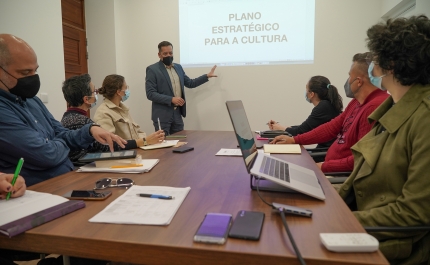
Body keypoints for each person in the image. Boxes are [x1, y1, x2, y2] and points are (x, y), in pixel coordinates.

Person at [339, 15, 430, 264]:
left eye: (375, 59)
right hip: (370, 229)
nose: (372, 66)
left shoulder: (425, 118)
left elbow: (414, 214)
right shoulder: (393, 106)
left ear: (390, 64)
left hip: (395, 248)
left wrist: (335, 220)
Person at [0, 34, 126, 187]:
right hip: (40, 191)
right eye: (25, 73)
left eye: (35, 70)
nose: (33, 78)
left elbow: (61, 133)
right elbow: (46, 155)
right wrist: (62, 143)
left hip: (68, 180)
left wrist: (89, 130)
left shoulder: (32, 100)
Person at [271, 52, 389, 173]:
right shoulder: (356, 102)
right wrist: (294, 140)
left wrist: (322, 167)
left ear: (358, 81)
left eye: (349, 76)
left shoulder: (374, 107)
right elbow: (330, 128)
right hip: (330, 168)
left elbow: (361, 159)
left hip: (340, 177)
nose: (348, 81)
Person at [61, 74, 154, 164]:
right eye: (94, 92)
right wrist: (144, 141)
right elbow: (108, 145)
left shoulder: (69, 118)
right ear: (86, 99)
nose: (97, 94)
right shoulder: (83, 121)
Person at [145, 41, 218, 135]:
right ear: (159, 55)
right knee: (164, 146)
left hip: (177, 114)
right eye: (165, 53)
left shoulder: (178, 67)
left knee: (180, 144)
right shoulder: (152, 69)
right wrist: (171, 99)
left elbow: (190, 83)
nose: (168, 55)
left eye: (170, 53)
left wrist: (206, 76)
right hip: (162, 115)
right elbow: (150, 94)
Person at [268, 75, 343, 148]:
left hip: (325, 153)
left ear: (311, 94)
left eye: (306, 89)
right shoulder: (328, 104)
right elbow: (305, 128)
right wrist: (280, 127)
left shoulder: (323, 107)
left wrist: (280, 128)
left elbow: (300, 132)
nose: (305, 92)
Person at [94, 74, 165, 144]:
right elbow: (110, 142)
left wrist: (152, 139)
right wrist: (145, 141)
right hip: (123, 154)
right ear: (118, 92)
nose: (127, 90)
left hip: (137, 150)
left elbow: (138, 133)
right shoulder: (103, 112)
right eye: (126, 87)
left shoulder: (123, 109)